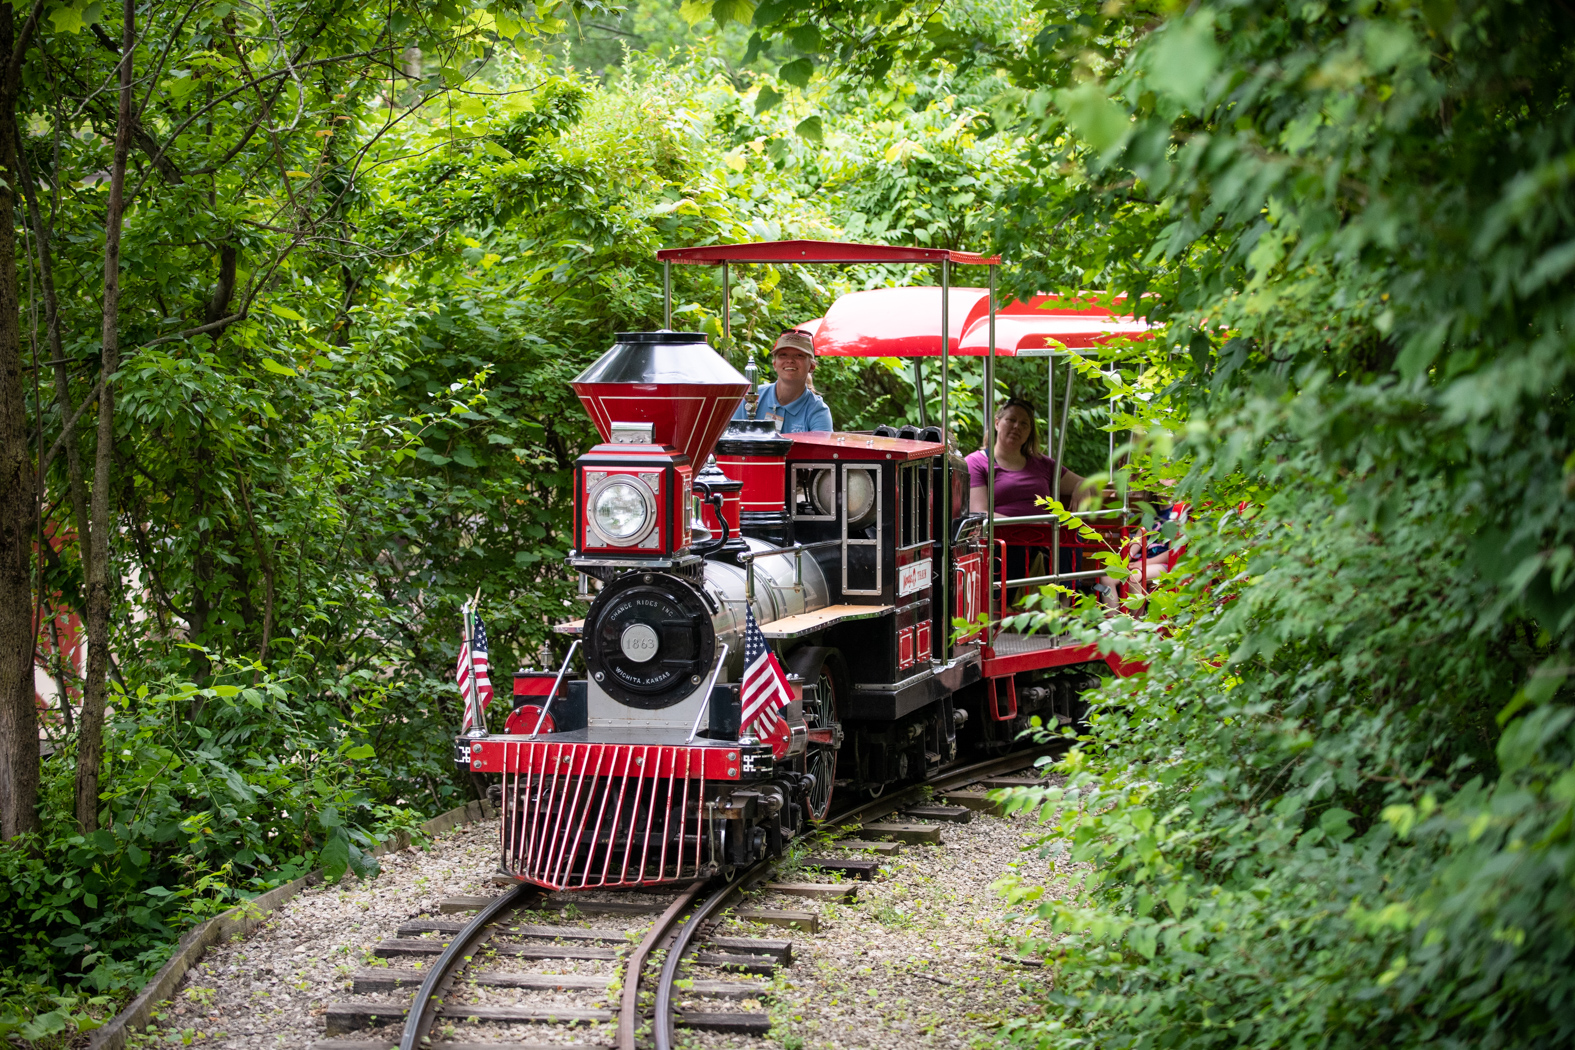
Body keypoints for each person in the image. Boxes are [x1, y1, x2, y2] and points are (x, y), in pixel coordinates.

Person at [966, 398, 1089, 516]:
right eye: (1011, 420)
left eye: (1024, 424)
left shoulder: (1044, 464)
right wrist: (1027, 524)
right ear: (997, 423)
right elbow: (980, 514)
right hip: (1000, 536)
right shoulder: (976, 463)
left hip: (1044, 535)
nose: (1017, 426)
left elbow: (1089, 484)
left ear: (1029, 432)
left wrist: (1082, 487)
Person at [734, 329, 834, 433]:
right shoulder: (750, 397)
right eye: (783, 355)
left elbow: (821, 449)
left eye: (799, 355)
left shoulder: (818, 411)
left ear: (812, 367)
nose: (790, 360)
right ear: (774, 365)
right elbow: (731, 440)